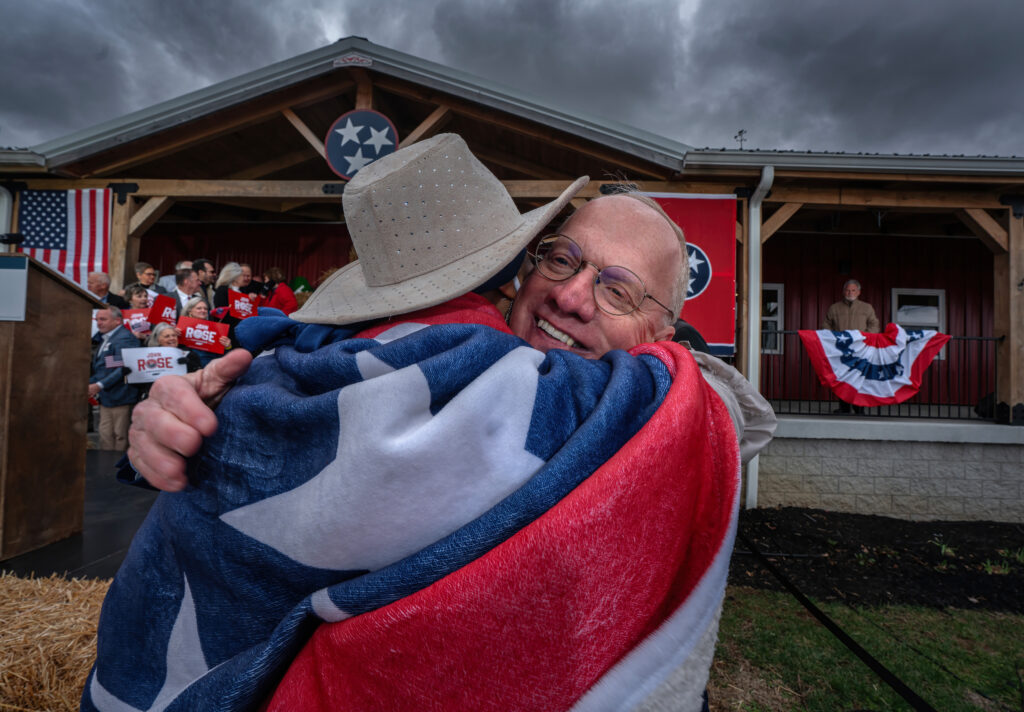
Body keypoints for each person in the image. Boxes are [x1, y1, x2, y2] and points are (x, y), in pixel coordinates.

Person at [96, 135, 773, 712]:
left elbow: (720, 407)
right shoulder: (364, 378)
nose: (570, 296)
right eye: (562, 259)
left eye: (617, 289)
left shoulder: (661, 434)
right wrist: (191, 418)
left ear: (663, 339)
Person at [823, 279, 880, 413]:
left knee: (859, 378)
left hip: (860, 350)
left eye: (853, 290)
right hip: (840, 350)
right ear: (843, 292)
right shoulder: (834, 308)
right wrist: (833, 337)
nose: (850, 292)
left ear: (859, 292)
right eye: (848, 290)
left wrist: (865, 338)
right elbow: (826, 325)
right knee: (842, 379)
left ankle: (859, 408)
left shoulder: (867, 308)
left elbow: (874, 325)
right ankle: (844, 408)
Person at [88, 306, 139, 451]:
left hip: (121, 396)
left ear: (117, 321)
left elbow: (123, 368)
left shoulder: (124, 338)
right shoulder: (106, 337)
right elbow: (106, 367)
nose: (99, 323)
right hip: (107, 398)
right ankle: (104, 469)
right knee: (106, 436)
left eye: (103, 319)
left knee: (120, 437)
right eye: (97, 319)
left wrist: (99, 385)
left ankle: (115, 472)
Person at [180, 296, 232, 367]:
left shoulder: (214, 329)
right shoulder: (181, 327)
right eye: (199, 308)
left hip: (211, 368)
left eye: (205, 309)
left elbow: (222, 355)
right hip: (189, 368)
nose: (203, 310)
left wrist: (227, 346)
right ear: (190, 311)